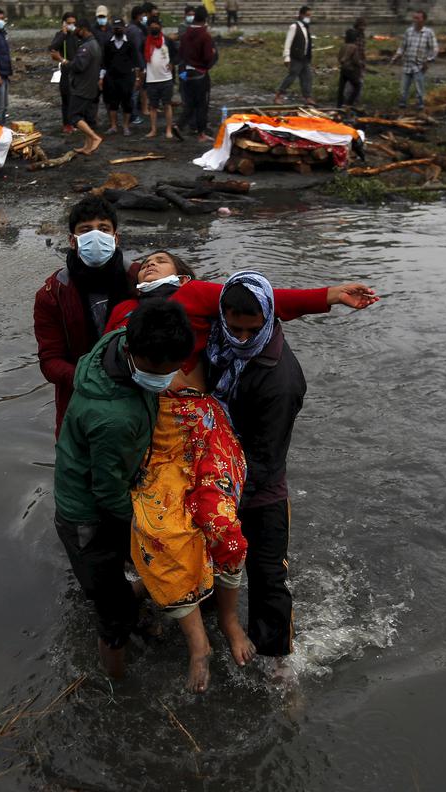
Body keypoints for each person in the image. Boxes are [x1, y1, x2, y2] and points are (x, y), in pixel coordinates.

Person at [55, 298, 195, 680]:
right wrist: (152, 524)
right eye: (158, 372)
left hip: (110, 487)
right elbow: (106, 493)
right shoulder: (112, 418)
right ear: (134, 354)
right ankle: (116, 683)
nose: (165, 379)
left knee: (133, 568)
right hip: (87, 515)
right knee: (112, 612)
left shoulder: (117, 341)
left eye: (172, 370)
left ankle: (129, 600)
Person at [203, 273, 311, 666]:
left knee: (268, 577)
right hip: (214, 474)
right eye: (234, 329)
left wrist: (222, 502)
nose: (242, 339)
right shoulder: (217, 345)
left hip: (258, 488)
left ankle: (278, 661)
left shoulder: (280, 380)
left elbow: (265, 460)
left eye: (252, 331)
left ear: (268, 321)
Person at [131, 356, 250, 693]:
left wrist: (327, 297)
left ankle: (228, 619)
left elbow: (278, 304)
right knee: (163, 531)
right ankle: (198, 643)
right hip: (161, 439)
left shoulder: (204, 315)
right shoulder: (129, 330)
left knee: (225, 529)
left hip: (207, 430)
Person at [105, 251, 378, 368]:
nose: (150, 265)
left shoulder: (192, 292)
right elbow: (102, 355)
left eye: (161, 261)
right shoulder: (124, 309)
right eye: (145, 265)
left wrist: (332, 295)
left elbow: (262, 299)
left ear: (183, 276)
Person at [34, 197, 135, 435]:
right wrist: (91, 379)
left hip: (135, 396)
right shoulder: (52, 294)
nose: (96, 236)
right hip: (78, 403)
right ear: (72, 240)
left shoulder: (140, 281)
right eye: (86, 230)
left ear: (115, 237)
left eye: (103, 229)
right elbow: (50, 361)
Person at [179, 7, 217, 141]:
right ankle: (201, 133)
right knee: (202, 104)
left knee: (190, 102)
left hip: (188, 72)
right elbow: (208, 57)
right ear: (205, 19)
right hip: (200, 73)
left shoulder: (185, 35)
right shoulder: (205, 36)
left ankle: (179, 125)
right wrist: (211, 55)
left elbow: (181, 53)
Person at [69, 22, 106, 154]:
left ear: (84, 29)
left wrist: (63, 61)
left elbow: (78, 66)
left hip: (82, 87)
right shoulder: (95, 44)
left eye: (78, 29)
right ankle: (87, 146)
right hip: (91, 86)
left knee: (74, 116)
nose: (76, 32)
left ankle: (95, 138)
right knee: (85, 117)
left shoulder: (86, 47)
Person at [103, 18, 141, 135]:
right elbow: (104, 62)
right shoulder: (108, 44)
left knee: (127, 102)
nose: (117, 30)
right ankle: (114, 126)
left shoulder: (130, 44)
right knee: (112, 103)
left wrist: (137, 78)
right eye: (115, 28)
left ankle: (125, 126)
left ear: (124, 28)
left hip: (127, 78)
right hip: (112, 78)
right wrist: (102, 77)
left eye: (119, 28)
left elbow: (136, 62)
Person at [143, 19, 178, 139]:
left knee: (167, 105)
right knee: (153, 106)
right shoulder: (145, 42)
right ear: (148, 28)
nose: (154, 28)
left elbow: (176, 54)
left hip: (166, 79)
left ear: (160, 27)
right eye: (151, 26)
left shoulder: (167, 41)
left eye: (156, 26)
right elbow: (140, 56)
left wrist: (173, 63)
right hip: (151, 79)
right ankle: (153, 130)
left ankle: (168, 129)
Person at [395, 10, 437, 111]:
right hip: (407, 64)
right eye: (414, 18)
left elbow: (434, 49)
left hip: (419, 65)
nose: (415, 20)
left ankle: (420, 106)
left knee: (419, 87)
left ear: (423, 20)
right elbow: (402, 46)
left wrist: (428, 60)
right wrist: (398, 54)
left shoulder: (428, 33)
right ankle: (402, 105)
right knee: (403, 88)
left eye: (418, 18)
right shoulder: (408, 31)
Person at [273, 6, 313, 105]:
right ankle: (278, 95)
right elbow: (288, 42)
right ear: (301, 15)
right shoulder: (294, 27)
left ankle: (307, 97)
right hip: (296, 57)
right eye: (307, 15)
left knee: (307, 77)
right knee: (291, 77)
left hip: (304, 58)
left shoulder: (306, 27)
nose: (308, 17)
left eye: (310, 16)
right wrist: (286, 57)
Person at [49, 12, 80, 133]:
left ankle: (75, 122)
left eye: (73, 23)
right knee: (66, 98)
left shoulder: (78, 35)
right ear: (64, 24)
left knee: (77, 98)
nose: (71, 25)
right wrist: (63, 33)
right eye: (69, 23)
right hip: (66, 71)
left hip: (78, 70)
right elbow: (53, 48)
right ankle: (66, 124)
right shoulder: (61, 35)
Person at [337, 25, 364, 107]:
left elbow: (339, 57)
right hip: (351, 70)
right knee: (357, 86)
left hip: (343, 69)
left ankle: (339, 105)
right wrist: (360, 64)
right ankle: (349, 104)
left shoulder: (343, 46)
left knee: (341, 88)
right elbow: (356, 60)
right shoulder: (354, 47)